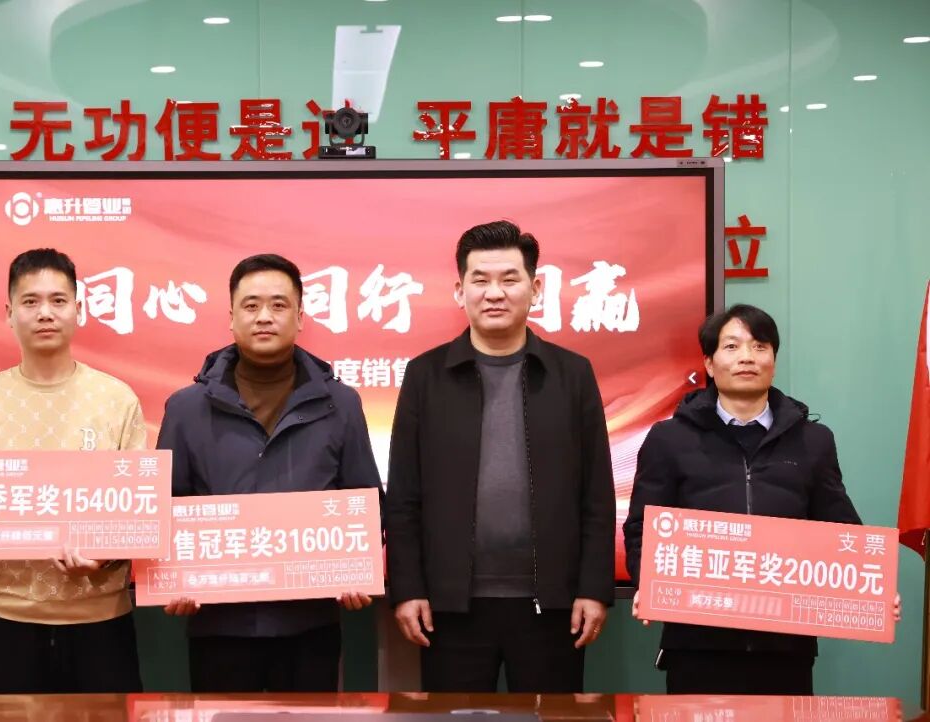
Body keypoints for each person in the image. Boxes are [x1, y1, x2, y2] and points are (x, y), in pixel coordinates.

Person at [623, 303, 902, 695]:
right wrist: (648, 583)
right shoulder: (669, 439)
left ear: (773, 360)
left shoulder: (813, 441)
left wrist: (873, 589)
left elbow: (840, 528)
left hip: (785, 646)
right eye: (732, 347)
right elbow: (641, 528)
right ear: (709, 363)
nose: (747, 357)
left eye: (759, 346)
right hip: (697, 643)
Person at [385, 220, 615, 692]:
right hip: (451, 606)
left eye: (510, 279)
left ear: (535, 288)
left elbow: (596, 492)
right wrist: (407, 589)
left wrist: (594, 588)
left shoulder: (572, 374)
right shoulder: (425, 375)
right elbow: (404, 495)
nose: (494, 293)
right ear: (460, 290)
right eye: (480, 280)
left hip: (553, 604)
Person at [157, 253, 382, 693]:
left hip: (311, 624)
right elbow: (167, 506)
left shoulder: (341, 403)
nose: (264, 317)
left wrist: (359, 570)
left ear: (300, 317)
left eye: (279, 305)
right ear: (231, 317)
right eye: (251, 305)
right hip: (218, 625)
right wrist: (173, 578)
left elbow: (365, 499)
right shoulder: (185, 408)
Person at [0, 248, 146, 694]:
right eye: (30, 301)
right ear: (9, 312)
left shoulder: (117, 400)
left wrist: (104, 553)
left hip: (103, 625)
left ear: (78, 309)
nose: (45, 313)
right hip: (5, 624)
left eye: (58, 300)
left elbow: (137, 514)